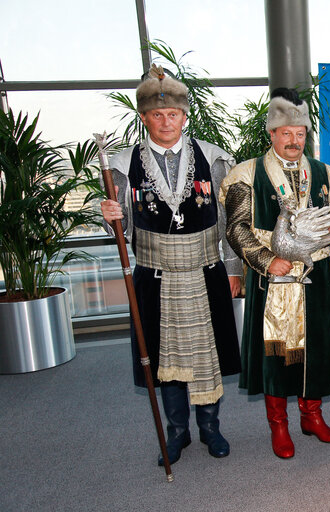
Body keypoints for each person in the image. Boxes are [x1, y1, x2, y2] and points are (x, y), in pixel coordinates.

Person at [100, 65, 241, 466]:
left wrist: (234, 269)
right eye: (157, 115)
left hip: (206, 271)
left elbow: (229, 220)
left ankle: (210, 428)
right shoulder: (122, 165)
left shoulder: (214, 159)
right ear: (144, 117)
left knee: (207, 354)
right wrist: (109, 213)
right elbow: (121, 230)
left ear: (184, 116)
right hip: (153, 276)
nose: (166, 121)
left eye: (173, 114)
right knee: (164, 359)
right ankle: (177, 432)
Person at [220, 87, 330, 459]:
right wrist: (266, 260)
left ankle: (312, 416)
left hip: (317, 279)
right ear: (272, 134)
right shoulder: (248, 175)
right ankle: (278, 425)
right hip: (274, 281)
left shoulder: (324, 172)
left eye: (300, 134)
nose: (294, 141)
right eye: (286, 134)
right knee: (275, 356)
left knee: (317, 350)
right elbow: (236, 228)